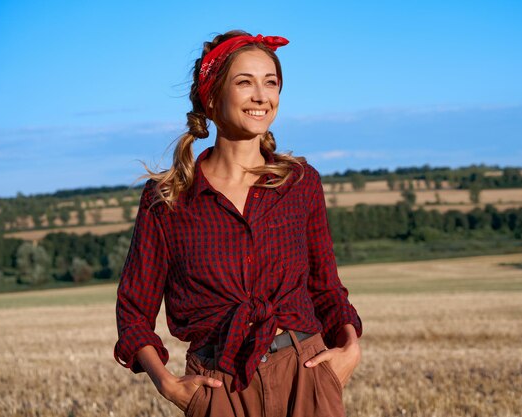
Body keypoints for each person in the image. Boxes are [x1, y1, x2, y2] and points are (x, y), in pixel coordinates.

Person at [114, 30, 363, 417]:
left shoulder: (300, 183)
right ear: (211, 97)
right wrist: (167, 383)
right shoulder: (167, 199)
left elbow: (326, 287)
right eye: (244, 82)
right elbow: (133, 310)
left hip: (305, 374)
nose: (261, 96)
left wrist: (349, 347)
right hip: (218, 387)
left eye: (271, 82)